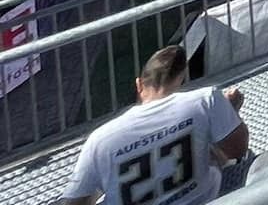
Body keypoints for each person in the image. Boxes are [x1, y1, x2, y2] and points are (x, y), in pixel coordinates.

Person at [59, 43, 249, 205]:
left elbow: (75, 203)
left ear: (139, 85)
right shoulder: (205, 99)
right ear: (181, 79)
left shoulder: (99, 141)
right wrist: (231, 113)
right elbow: (237, 150)